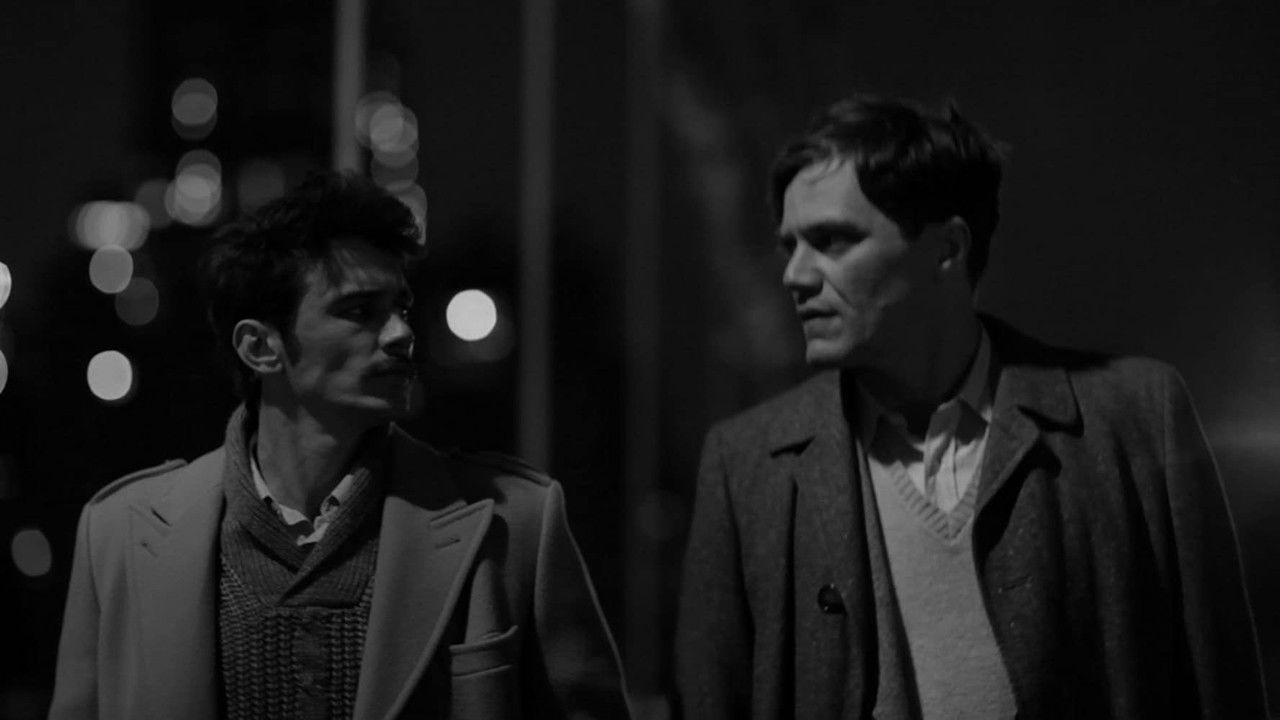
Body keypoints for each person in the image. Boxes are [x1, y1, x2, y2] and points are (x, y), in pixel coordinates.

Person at [675, 94, 1269, 719]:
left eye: (832, 241)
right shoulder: (746, 464)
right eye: (790, 245)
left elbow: (1220, 685)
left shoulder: (1134, 416)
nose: (795, 274)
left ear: (947, 249)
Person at [49, 171, 631, 719]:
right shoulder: (118, 534)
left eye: (400, 307)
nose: (401, 333)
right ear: (260, 348)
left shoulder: (515, 524)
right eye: (359, 311)